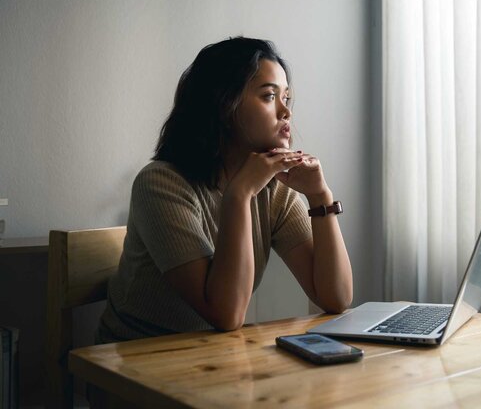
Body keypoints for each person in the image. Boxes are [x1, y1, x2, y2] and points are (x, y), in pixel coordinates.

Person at [97, 37, 353, 343]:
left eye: (287, 97)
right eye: (270, 96)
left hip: (214, 357)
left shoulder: (274, 190)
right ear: (224, 105)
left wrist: (319, 196)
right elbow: (227, 314)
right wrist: (240, 194)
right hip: (135, 358)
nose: (286, 112)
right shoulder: (160, 184)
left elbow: (336, 298)